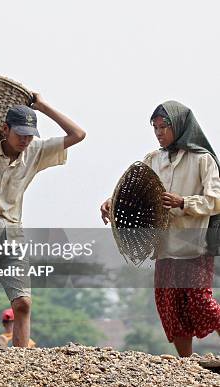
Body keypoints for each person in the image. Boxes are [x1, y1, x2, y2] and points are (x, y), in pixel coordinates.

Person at [0, 70, 86, 348]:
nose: (25, 140)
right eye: (20, 134)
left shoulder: (34, 152)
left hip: (12, 235)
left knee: (22, 301)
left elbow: (78, 134)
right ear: (5, 130)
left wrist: (43, 106)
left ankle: (21, 360)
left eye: (30, 135)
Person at [101, 101, 220, 357]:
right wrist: (113, 203)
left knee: (201, 304)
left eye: (164, 127)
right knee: (170, 307)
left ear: (179, 126)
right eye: (155, 127)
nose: (158, 132)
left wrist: (184, 202)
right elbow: (137, 194)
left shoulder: (202, 159)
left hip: (194, 246)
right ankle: (186, 365)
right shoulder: (153, 159)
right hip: (165, 247)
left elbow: (216, 200)